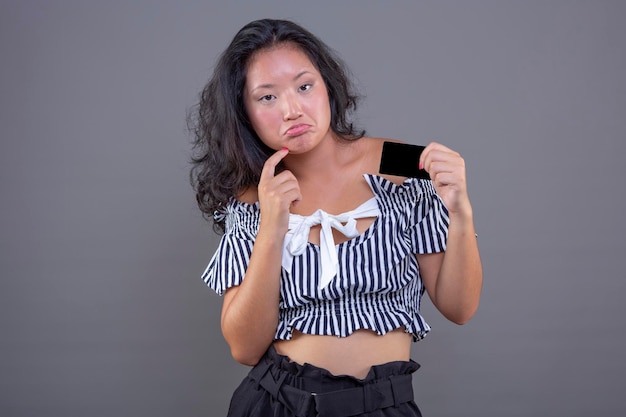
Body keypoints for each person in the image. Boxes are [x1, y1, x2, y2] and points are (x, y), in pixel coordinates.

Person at [189, 18, 482, 417]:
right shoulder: (255, 197)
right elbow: (243, 348)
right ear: (245, 114)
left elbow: (459, 308)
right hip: (278, 404)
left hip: (385, 404)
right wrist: (272, 228)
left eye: (304, 86)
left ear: (328, 86)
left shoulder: (400, 163)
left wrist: (461, 213)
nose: (292, 110)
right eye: (267, 98)